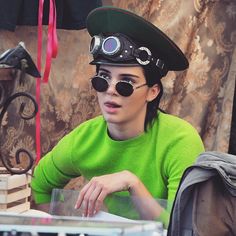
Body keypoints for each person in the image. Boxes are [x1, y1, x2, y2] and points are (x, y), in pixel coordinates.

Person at [31, 6, 205, 228]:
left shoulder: (180, 140)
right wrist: (61, 225)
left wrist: (131, 182)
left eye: (126, 83)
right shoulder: (84, 139)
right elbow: (39, 183)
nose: (110, 91)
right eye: (102, 79)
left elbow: (182, 226)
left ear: (152, 92)